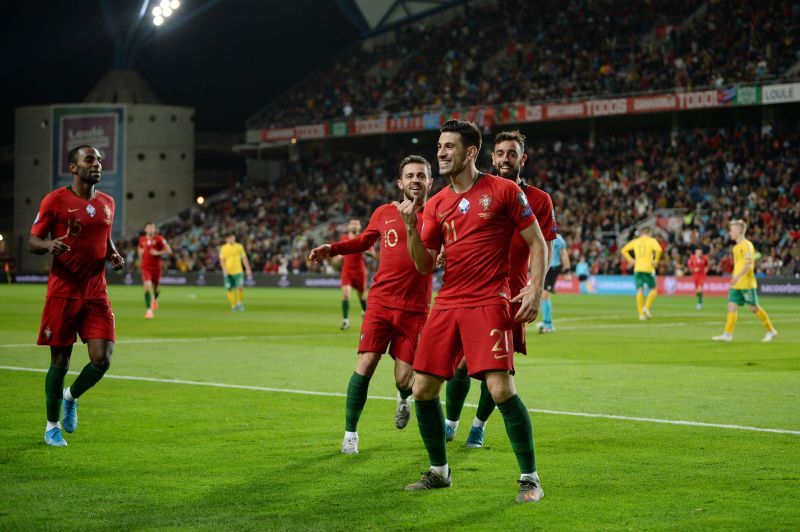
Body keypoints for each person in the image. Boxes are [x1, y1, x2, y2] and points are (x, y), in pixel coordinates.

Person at [395, 120, 548, 503]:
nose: (442, 153)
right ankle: (439, 471)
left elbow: (538, 243)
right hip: (447, 302)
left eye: (449, 147)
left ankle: (530, 478)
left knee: (500, 389)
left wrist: (535, 288)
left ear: (469, 152)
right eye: (439, 146)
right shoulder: (437, 203)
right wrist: (412, 227)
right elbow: (425, 265)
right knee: (422, 389)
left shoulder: (504, 191)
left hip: (489, 300)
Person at [309, 156, 434, 455]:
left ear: (430, 181)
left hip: (415, 308)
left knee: (405, 379)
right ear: (400, 183)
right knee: (365, 363)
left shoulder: (438, 214)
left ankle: (403, 398)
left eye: (421, 175)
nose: (415, 180)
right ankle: (350, 434)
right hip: (380, 302)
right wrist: (332, 249)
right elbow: (364, 241)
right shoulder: (383, 212)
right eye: (409, 176)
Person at [442, 130, 558, 449]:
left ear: (523, 159)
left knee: (496, 368)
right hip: (475, 287)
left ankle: (478, 426)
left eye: (512, 154)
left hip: (513, 291)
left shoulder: (539, 200)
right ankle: (450, 423)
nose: (505, 159)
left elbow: (543, 247)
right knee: (460, 363)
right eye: (500, 153)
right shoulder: (474, 192)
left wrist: (536, 287)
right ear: (491, 158)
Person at [28, 144, 125, 447]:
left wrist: (114, 253)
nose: (97, 164)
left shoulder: (108, 201)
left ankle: (71, 397)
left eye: (98, 160)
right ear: (73, 167)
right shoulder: (55, 201)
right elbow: (33, 240)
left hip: (96, 291)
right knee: (60, 360)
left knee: (102, 359)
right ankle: (52, 426)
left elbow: (104, 235)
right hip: (63, 291)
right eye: (90, 160)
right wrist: (48, 245)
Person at [713, 220, 778, 342]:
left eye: (732, 230)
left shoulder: (747, 245)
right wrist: (735, 277)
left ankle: (771, 330)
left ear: (739, 231)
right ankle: (727, 334)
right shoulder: (736, 247)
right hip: (737, 284)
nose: (730, 232)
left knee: (754, 308)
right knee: (731, 306)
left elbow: (749, 265)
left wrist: (737, 277)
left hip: (746, 283)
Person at [621, 226, 662, 320]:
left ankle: (640, 315)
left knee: (640, 290)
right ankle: (646, 307)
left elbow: (623, 250)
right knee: (654, 289)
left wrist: (630, 260)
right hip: (648, 268)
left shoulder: (636, 241)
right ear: (649, 233)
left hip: (637, 268)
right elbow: (659, 250)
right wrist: (655, 260)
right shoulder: (652, 241)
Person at [337, 218, 368, 330]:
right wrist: (337, 257)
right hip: (347, 270)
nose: (354, 225)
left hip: (359, 271)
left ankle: (365, 313)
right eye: (352, 223)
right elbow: (341, 250)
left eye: (356, 223)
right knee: (345, 294)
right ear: (348, 226)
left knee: (362, 297)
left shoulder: (364, 238)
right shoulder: (343, 238)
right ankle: (345, 321)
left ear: (359, 227)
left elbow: (372, 253)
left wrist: (366, 250)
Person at [138, 222, 172, 319]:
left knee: (156, 289)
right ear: (145, 229)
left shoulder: (159, 239)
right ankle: (149, 311)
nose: (150, 229)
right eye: (148, 228)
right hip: (145, 267)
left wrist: (158, 252)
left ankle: (155, 299)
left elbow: (169, 250)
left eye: (152, 227)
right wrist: (141, 255)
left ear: (154, 229)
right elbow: (140, 248)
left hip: (156, 268)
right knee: (147, 286)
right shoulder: (142, 239)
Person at [538, 233, 570, 333]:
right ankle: (548, 323)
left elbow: (564, 254)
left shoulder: (558, 238)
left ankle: (547, 324)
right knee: (545, 296)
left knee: (544, 295)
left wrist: (567, 271)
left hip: (553, 268)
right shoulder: (540, 235)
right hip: (544, 268)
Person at [219, 233, 253, 311]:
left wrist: (248, 269)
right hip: (228, 272)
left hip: (238, 271)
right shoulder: (223, 248)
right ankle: (233, 305)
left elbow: (244, 258)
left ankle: (239, 303)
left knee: (240, 287)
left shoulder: (239, 246)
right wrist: (224, 269)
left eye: (232, 237)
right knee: (229, 288)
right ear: (226, 239)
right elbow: (222, 260)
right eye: (229, 238)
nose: (231, 239)